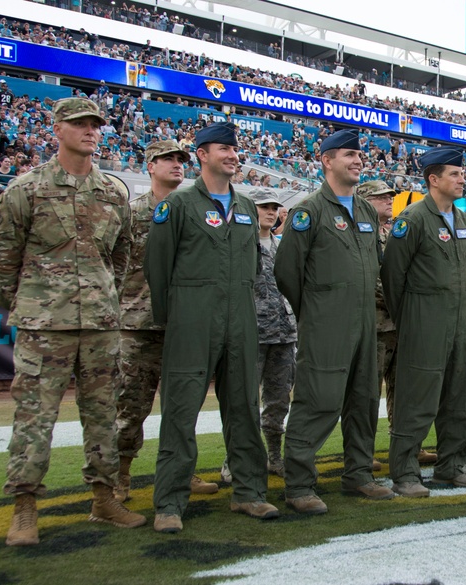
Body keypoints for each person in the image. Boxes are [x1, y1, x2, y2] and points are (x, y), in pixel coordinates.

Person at [0, 97, 144, 546]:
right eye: (79, 124)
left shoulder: (113, 191)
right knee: (34, 418)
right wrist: (30, 304)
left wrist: (101, 297)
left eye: (95, 124)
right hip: (45, 325)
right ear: (56, 128)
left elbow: (120, 255)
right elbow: (0, 259)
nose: (89, 131)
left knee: (103, 416)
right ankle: (24, 507)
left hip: (99, 324)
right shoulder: (26, 189)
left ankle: (104, 498)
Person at [146, 122, 278, 534]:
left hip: (240, 319)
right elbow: (158, 268)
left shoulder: (243, 206)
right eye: (224, 149)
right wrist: (179, 317)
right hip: (191, 318)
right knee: (181, 411)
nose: (233, 156)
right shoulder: (179, 204)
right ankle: (169, 502)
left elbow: (254, 267)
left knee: (243, 409)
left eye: (235, 150)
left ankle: (249, 493)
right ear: (202, 154)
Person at [275, 129, 392, 514]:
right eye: (348, 155)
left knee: (363, 401)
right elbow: (287, 272)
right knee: (317, 402)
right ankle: (299, 484)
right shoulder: (309, 211)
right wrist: (318, 310)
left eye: (359, 155)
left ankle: (358, 473)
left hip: (365, 326)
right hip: (326, 325)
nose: (357, 160)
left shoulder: (365, 212)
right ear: (326, 161)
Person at [113, 139, 218, 502]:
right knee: (131, 407)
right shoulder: (131, 212)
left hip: (184, 323)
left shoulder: (192, 209)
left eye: (180, 159)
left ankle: (180, 472)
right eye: (166, 159)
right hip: (140, 324)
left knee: (183, 408)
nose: (176, 164)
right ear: (149, 166)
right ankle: (119, 477)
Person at [381, 146, 466, 496]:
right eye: (454, 174)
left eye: (462, 173)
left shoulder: (464, 219)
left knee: (460, 396)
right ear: (433, 179)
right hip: (424, 320)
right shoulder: (412, 219)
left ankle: (450, 466)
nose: (462, 179)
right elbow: (393, 275)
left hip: (459, 321)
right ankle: (405, 472)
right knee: (417, 399)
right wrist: (410, 318)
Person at [355, 179, 437, 469]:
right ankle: (362, 453)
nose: (389, 200)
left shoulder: (393, 232)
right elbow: (374, 279)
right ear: (364, 200)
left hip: (399, 323)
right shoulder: (358, 231)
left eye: (390, 196)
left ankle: (405, 446)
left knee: (404, 391)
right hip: (374, 325)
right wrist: (397, 298)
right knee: (366, 393)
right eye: (380, 197)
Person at [243, 187, 297, 479]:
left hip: (283, 334)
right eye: (264, 206)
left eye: (274, 207)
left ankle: (274, 456)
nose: (270, 211)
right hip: (252, 333)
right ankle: (235, 461)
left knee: (278, 401)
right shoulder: (241, 244)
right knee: (244, 402)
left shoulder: (282, 246)